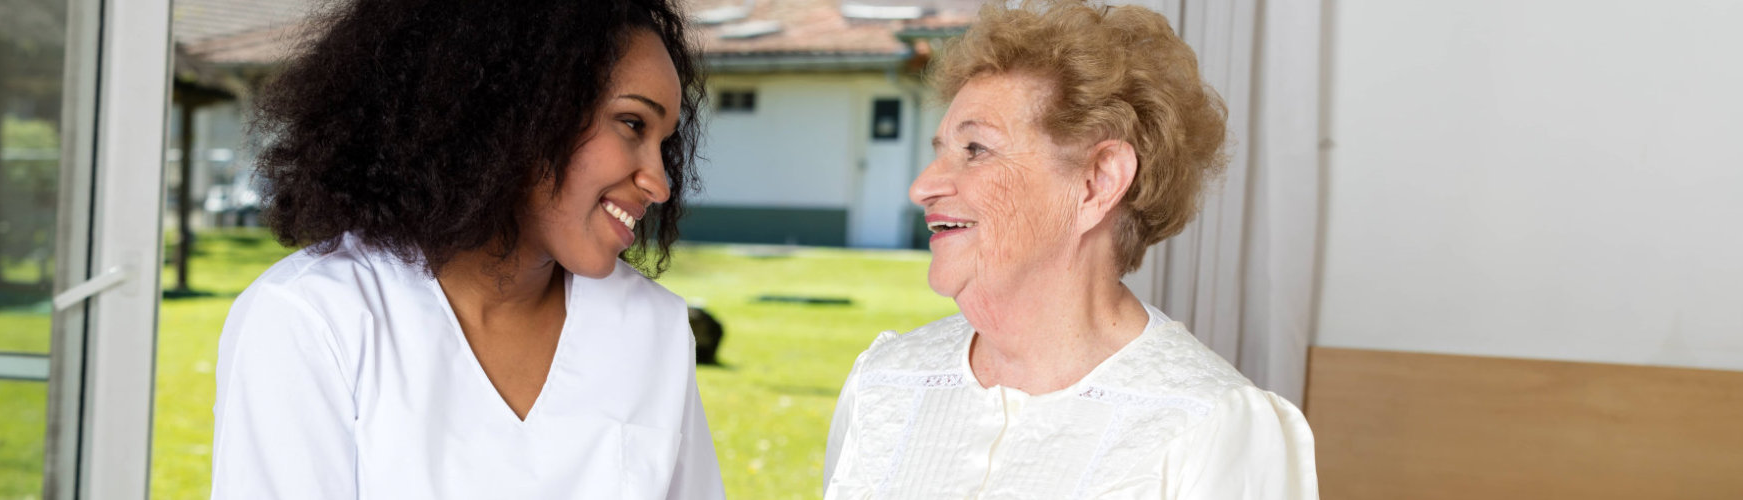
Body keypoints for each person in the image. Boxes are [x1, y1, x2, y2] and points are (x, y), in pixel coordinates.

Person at [208, 0, 723, 498]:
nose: (659, 183)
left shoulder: (655, 329)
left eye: (664, 141)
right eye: (632, 123)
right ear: (515, 110)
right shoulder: (314, 319)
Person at [822, 2, 1318, 498]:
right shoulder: (884, 384)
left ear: (1097, 182)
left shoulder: (1211, 425)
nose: (922, 187)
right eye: (939, 152)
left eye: (976, 150)